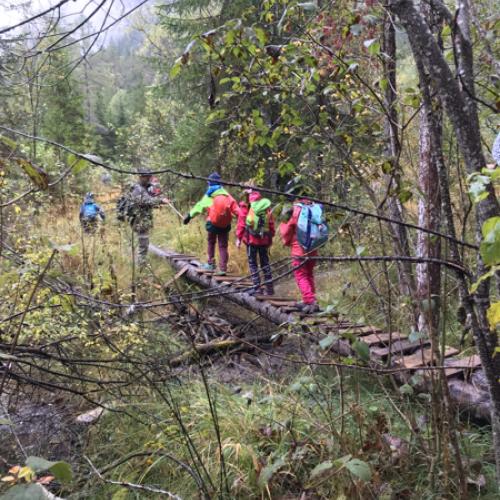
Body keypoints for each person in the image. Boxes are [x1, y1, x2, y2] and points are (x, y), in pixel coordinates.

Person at [279, 182, 324, 314]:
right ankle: (309, 300)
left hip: (299, 249)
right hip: (313, 248)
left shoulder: (296, 209)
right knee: (309, 274)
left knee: (300, 275)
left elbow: (287, 230)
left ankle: (310, 301)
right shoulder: (315, 207)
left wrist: (286, 241)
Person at [183, 172, 239, 275]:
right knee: (223, 246)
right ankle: (223, 269)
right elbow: (237, 210)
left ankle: (211, 264)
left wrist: (189, 216)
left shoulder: (209, 195)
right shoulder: (227, 196)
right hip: (225, 225)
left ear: (210, 183)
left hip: (212, 224)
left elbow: (199, 207)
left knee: (211, 242)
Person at [236, 188, 275, 295]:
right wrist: (270, 238)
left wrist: (238, 238)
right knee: (265, 263)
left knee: (253, 264)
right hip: (264, 241)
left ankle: (257, 288)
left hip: (251, 241)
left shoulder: (246, 207)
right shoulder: (266, 207)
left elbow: (241, 224)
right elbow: (271, 224)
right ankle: (270, 288)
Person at [128, 170, 169, 266]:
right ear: (141, 177)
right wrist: (160, 200)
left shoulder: (144, 188)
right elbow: (145, 201)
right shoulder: (137, 189)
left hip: (143, 219)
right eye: (147, 177)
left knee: (143, 242)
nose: (149, 179)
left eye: (149, 177)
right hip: (139, 220)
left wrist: (156, 195)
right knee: (143, 242)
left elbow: (149, 200)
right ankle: (141, 265)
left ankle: (140, 262)